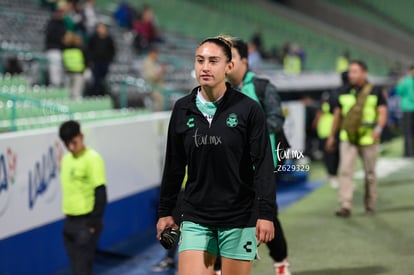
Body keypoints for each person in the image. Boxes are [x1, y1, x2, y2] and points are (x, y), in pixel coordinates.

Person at [156, 36, 276, 275]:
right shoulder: (182, 108)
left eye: (213, 61)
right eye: (200, 60)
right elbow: (174, 166)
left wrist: (266, 214)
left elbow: (262, 163)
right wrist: (165, 211)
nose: (205, 67)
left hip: (239, 216)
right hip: (195, 216)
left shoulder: (248, 109)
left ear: (229, 67)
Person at [227, 38, 291, 275]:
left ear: (244, 60)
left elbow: (276, 118)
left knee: (267, 215)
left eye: (231, 57)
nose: (227, 63)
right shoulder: (222, 91)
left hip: (262, 165)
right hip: (232, 168)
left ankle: (281, 261)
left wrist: (251, 133)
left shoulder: (263, 87)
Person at [326, 61, 387, 217]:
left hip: (368, 138)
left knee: (370, 174)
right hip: (348, 137)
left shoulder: (375, 91)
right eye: (350, 72)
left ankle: (370, 205)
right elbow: (337, 116)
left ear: (364, 73)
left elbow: (382, 113)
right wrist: (332, 136)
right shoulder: (343, 91)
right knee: (345, 172)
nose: (351, 75)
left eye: (354, 71)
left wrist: (378, 130)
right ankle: (345, 205)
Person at [59, 120, 107, 275]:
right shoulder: (66, 160)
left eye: (74, 142)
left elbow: (101, 192)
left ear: (81, 136)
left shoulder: (92, 158)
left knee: (82, 268)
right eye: (67, 144)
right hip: (69, 222)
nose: (71, 147)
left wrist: (93, 223)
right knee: (77, 267)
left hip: (85, 223)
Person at [87, 23, 116, 96]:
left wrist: (109, 59)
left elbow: (112, 50)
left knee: (104, 80)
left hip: (105, 62)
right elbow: (89, 50)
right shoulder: (93, 38)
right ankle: (95, 94)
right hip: (96, 62)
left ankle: (103, 94)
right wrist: (90, 60)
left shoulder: (109, 39)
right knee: (96, 79)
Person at [45, 8, 67, 87]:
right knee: (54, 70)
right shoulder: (52, 23)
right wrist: (62, 39)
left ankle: (58, 87)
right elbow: (50, 36)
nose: (61, 14)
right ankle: (55, 87)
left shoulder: (62, 23)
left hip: (60, 50)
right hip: (53, 49)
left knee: (59, 70)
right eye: (59, 12)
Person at [395, 65, 414, 157]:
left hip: (407, 109)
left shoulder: (405, 81)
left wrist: (400, 83)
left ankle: (407, 153)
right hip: (409, 109)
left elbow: (399, 92)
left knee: (407, 132)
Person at [62, 32, 87, 100]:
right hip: (77, 72)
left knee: (71, 92)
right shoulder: (80, 50)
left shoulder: (65, 50)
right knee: (75, 93)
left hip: (71, 72)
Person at [142, 47, 166, 111]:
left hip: (158, 87)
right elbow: (149, 76)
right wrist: (159, 72)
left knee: (160, 104)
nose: (157, 56)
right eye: (156, 54)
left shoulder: (154, 62)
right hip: (152, 86)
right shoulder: (148, 62)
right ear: (152, 53)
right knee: (157, 105)